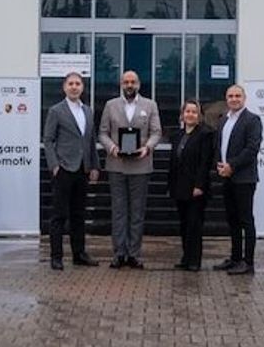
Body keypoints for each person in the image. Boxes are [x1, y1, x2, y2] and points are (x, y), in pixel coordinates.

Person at [97, 70, 161, 268]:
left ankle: (134, 254)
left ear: (139, 84)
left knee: (137, 212)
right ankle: (119, 253)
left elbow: (156, 132)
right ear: (121, 84)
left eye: (133, 82)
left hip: (141, 166)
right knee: (118, 212)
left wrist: (148, 147)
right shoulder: (111, 105)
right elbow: (103, 133)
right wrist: (112, 148)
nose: (129, 85)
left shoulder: (150, 105)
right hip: (116, 165)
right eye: (126, 82)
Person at [42, 72, 101, 271]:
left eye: (77, 83)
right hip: (64, 168)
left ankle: (79, 254)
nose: (74, 87)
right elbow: (48, 140)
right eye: (71, 84)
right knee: (59, 215)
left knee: (78, 214)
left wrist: (94, 165)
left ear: (82, 87)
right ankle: (56, 256)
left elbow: (90, 140)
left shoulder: (88, 111)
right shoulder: (56, 111)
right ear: (64, 87)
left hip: (82, 169)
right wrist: (54, 165)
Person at [214, 84, 263, 275]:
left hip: (244, 178)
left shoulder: (252, 120)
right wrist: (220, 165)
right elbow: (219, 146)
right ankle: (235, 258)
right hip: (226, 177)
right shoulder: (223, 120)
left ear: (244, 98)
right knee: (232, 220)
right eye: (230, 96)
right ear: (226, 99)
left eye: (237, 96)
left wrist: (231, 166)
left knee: (246, 220)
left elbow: (252, 149)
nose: (234, 99)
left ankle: (248, 262)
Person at [167, 100, 216, 271]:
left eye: (194, 112)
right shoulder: (178, 135)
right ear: (182, 115)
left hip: (196, 188)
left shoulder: (205, 134)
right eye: (187, 111)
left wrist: (199, 185)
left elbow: (205, 163)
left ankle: (195, 260)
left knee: (194, 225)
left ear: (199, 115)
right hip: (180, 187)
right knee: (184, 224)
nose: (190, 115)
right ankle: (186, 258)